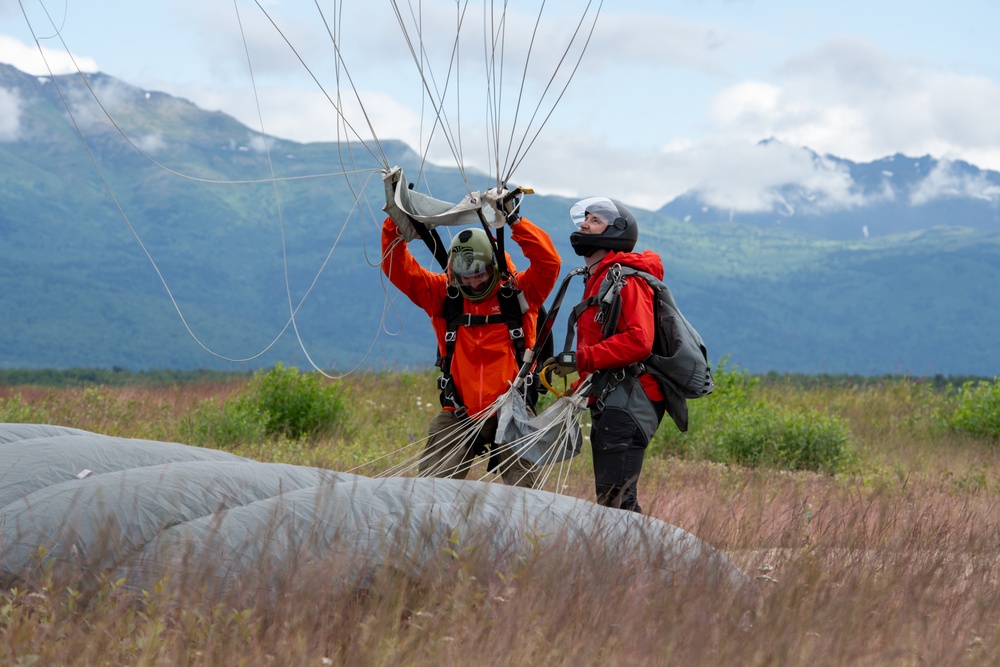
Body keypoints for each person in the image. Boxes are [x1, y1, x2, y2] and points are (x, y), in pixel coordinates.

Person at [381, 204, 561, 487]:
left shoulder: (520, 293)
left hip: (510, 412)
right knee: (429, 495)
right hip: (459, 412)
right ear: (454, 272)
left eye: (480, 274)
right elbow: (398, 269)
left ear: (495, 266)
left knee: (526, 499)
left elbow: (549, 263)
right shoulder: (443, 295)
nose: (474, 283)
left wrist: (514, 220)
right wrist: (395, 223)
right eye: (466, 276)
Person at [546, 197, 666, 513]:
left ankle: (644, 562)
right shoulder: (598, 279)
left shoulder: (626, 278)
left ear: (615, 231)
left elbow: (639, 341)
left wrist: (579, 360)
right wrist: (579, 387)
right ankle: (627, 562)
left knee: (617, 501)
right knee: (610, 500)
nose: (584, 223)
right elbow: (604, 343)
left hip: (630, 401)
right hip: (610, 398)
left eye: (595, 220)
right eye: (585, 218)